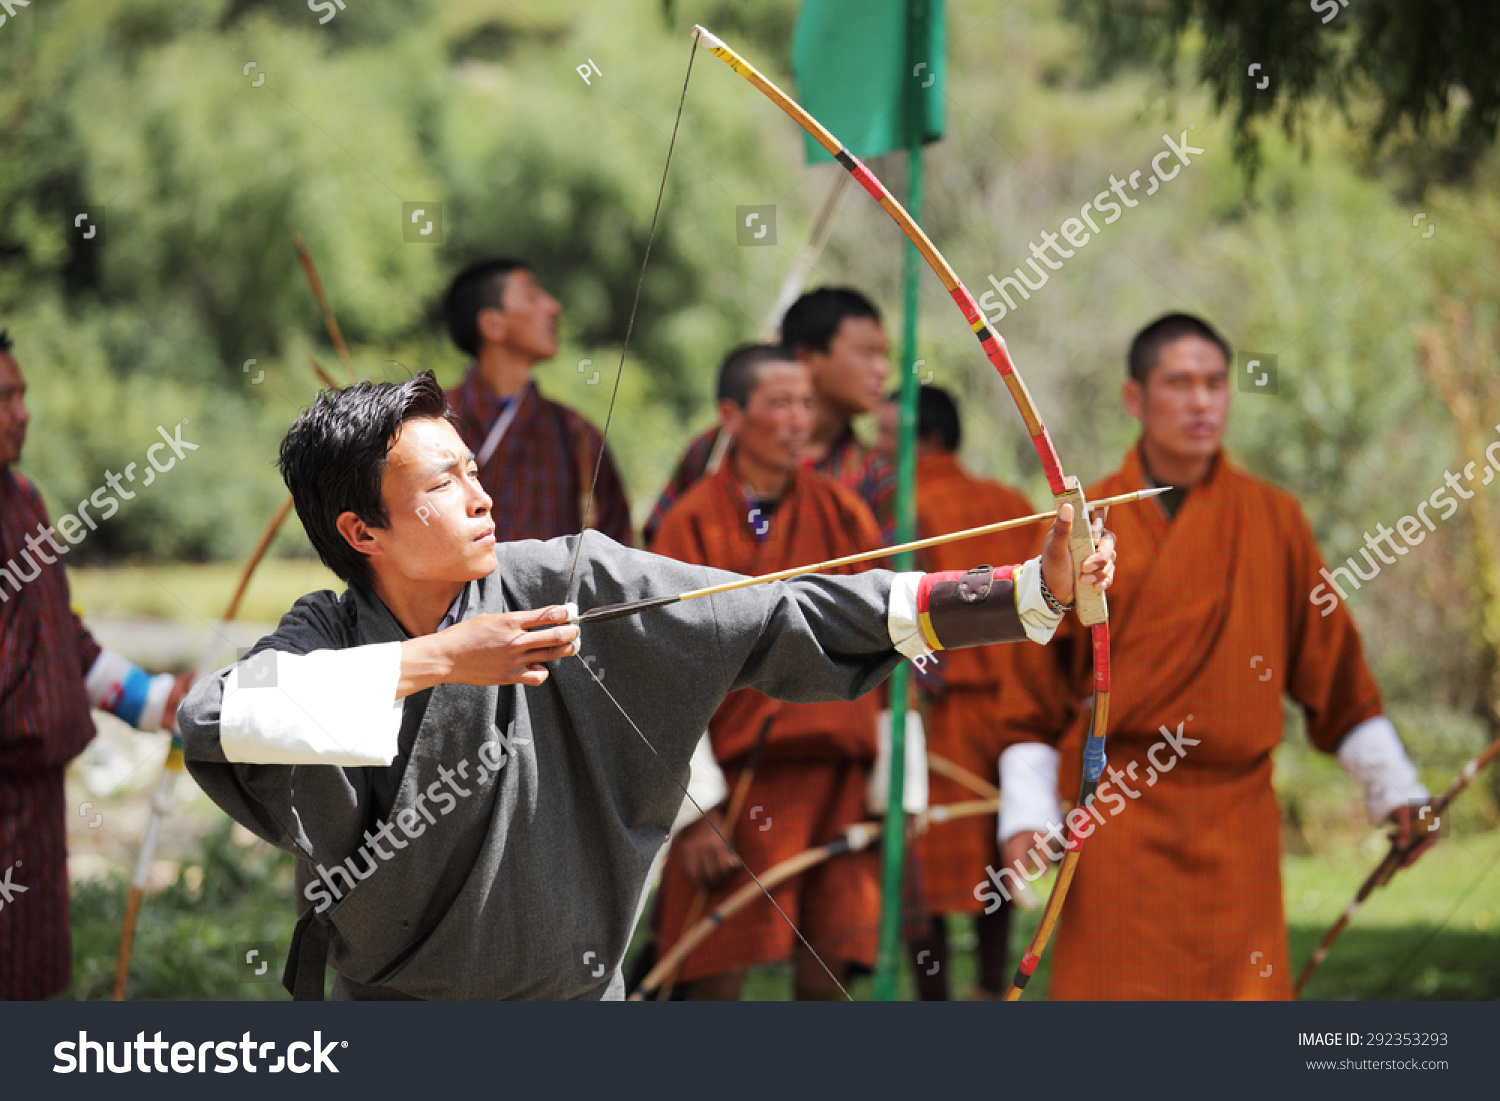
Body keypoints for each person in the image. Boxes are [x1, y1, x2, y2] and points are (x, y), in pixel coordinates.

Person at [177, 370, 1116, 1000]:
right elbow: (213, 717)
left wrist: (1026, 593)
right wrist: (448, 659)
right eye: (442, 482)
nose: (481, 496)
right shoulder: (329, 632)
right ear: (362, 531)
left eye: (474, 468)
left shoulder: (564, 581)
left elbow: (775, 610)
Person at [988, 313, 1431, 1000]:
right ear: (1135, 398)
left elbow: (1333, 671)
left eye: (1216, 383)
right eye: (1180, 383)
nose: (1202, 401)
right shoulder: (1087, 522)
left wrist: (1395, 789)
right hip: (1118, 818)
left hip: (1237, 822)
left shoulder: (1273, 517)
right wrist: (1023, 813)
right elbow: (1032, 694)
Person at [649, 344, 890, 1000]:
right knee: (711, 965)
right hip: (737, 781)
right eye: (779, 403)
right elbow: (662, 668)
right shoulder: (691, 521)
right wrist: (696, 809)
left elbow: (888, 639)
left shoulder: (844, 513)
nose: (798, 421)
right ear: (731, 415)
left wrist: (900, 780)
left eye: (807, 403)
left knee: (831, 965)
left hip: (841, 773)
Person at [0, 330, 192, 999]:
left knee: (28, 976)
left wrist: (154, 698)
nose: (23, 411)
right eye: (4, 398)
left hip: (35, 799)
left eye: (21, 393)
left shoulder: (23, 499)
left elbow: (62, 638)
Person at [875, 385, 1038, 1000]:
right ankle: (994, 987)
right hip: (1017, 709)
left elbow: (895, 610)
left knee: (930, 854)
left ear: (929, 441)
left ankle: (935, 999)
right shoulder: (1012, 502)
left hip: (940, 706)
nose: (877, 447)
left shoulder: (902, 504)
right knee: (999, 844)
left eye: (889, 435)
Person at [643, 287, 894, 544]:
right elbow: (662, 548)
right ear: (806, 358)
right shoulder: (720, 446)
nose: (882, 370)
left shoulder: (873, 474)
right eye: (867, 353)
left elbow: (890, 575)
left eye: (884, 355)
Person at [442, 258, 632, 545]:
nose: (553, 307)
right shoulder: (431, 421)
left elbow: (618, 545)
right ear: (492, 324)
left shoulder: (575, 433)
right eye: (532, 297)